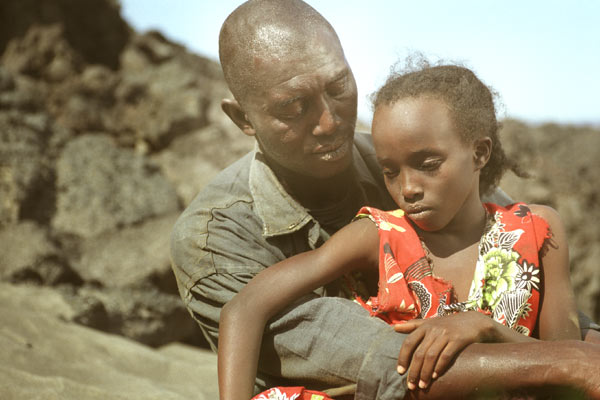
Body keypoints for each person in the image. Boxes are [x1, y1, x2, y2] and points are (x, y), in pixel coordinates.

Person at [170, 0, 600, 398]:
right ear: (243, 118)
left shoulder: (403, 158)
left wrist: (547, 347)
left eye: (339, 86)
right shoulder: (214, 239)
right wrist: (565, 362)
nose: (329, 121)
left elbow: (528, 286)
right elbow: (384, 359)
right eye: (293, 107)